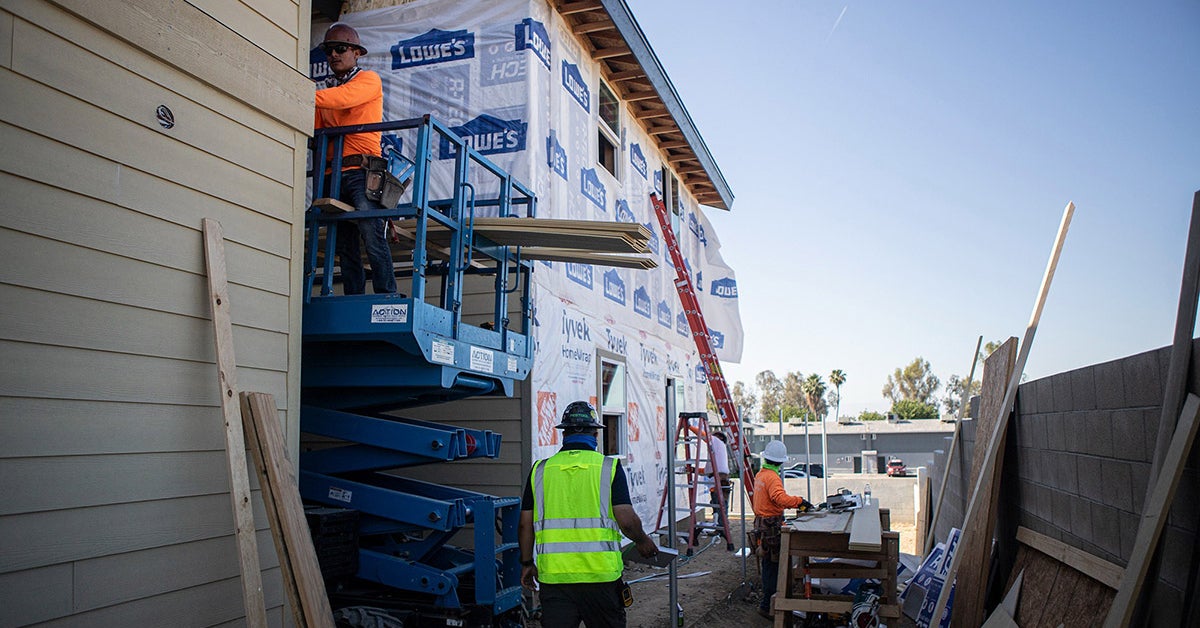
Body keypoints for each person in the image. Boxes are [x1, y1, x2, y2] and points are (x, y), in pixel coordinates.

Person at [519, 401, 659, 628]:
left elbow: (526, 524)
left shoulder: (540, 470)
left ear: (564, 434)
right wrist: (642, 540)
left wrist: (526, 562)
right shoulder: (609, 468)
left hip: (555, 580)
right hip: (600, 578)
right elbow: (626, 519)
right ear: (595, 434)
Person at [314, 23, 396, 295]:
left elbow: (343, 99)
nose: (333, 55)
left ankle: (386, 294)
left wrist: (303, 94)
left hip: (361, 172)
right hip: (332, 174)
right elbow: (315, 129)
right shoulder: (324, 92)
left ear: (357, 53)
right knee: (344, 243)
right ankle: (353, 295)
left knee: (372, 234)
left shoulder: (368, 80)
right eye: (328, 50)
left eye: (340, 49)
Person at [752, 439, 814, 619]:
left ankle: (769, 603)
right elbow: (780, 498)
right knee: (773, 566)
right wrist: (799, 502)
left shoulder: (761, 475)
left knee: (769, 566)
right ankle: (768, 606)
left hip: (763, 525)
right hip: (770, 527)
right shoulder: (772, 478)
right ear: (780, 461)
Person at [705, 431, 732, 537]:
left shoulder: (718, 445)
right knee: (718, 506)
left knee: (720, 506)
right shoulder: (718, 451)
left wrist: (689, 427)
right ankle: (721, 527)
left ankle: (722, 528)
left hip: (720, 481)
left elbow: (716, 470)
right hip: (719, 481)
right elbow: (711, 470)